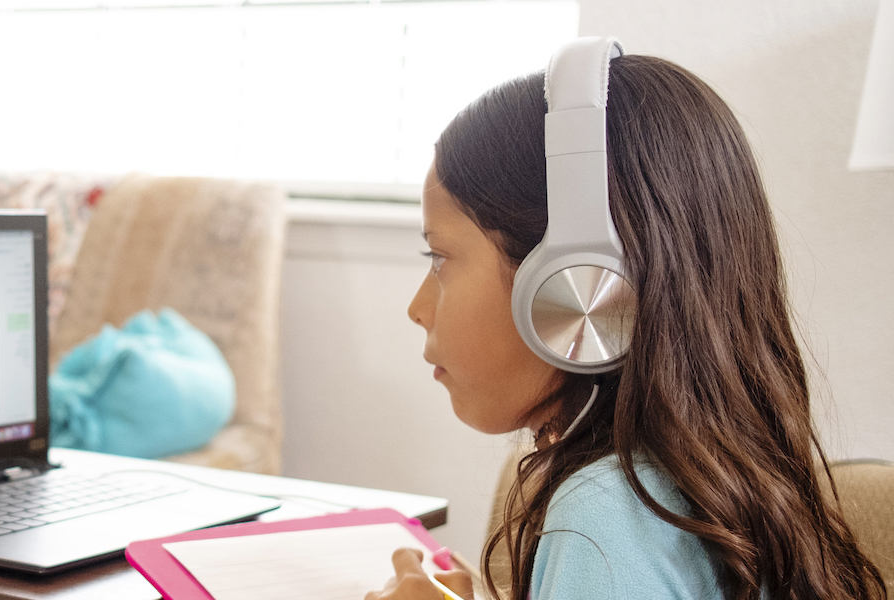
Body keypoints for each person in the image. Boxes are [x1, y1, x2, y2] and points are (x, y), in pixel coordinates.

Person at [371, 54, 886, 599]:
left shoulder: (604, 518)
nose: (417, 308)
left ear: (575, 282)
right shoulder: (698, 482)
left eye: (439, 258)